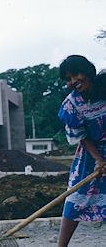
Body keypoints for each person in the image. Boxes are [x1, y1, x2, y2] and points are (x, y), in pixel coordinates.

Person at [57, 55, 106, 246]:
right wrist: (99, 160)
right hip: (90, 155)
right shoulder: (72, 105)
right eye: (68, 79)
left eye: (75, 75)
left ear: (87, 71)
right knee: (75, 200)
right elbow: (81, 136)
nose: (73, 82)